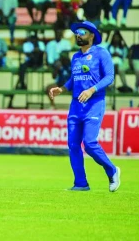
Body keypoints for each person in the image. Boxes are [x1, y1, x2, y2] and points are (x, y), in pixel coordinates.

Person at [49, 21, 121, 192]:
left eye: (81, 32)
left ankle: (112, 170)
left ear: (91, 35)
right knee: (73, 145)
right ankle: (81, 183)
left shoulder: (101, 53)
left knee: (89, 143)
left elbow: (110, 77)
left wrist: (92, 89)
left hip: (94, 103)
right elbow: (73, 79)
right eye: (76, 32)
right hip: (75, 106)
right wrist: (62, 88)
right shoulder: (76, 57)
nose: (78, 34)